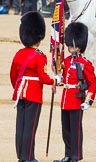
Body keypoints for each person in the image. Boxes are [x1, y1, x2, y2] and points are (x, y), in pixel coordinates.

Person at [10, 11, 61, 162]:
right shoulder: (39, 56)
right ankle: (29, 157)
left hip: (20, 94)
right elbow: (43, 78)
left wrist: (18, 89)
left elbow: (13, 76)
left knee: (20, 126)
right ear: (38, 38)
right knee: (30, 128)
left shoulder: (19, 53)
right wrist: (55, 80)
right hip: (33, 94)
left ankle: (21, 156)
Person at [53, 22, 96, 162]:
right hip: (66, 99)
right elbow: (63, 77)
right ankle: (67, 154)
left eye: (73, 46)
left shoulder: (85, 63)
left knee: (75, 130)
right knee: (66, 130)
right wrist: (57, 78)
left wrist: (88, 101)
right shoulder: (66, 60)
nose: (71, 48)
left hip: (77, 100)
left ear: (79, 46)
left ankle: (75, 156)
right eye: (70, 45)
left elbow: (93, 83)